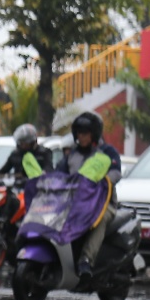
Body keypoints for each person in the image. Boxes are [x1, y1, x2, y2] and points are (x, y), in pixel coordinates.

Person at [56, 111, 122, 278]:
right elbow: (60, 174)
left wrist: (102, 182)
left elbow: (116, 173)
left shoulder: (107, 152)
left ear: (93, 134)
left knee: (99, 221)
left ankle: (86, 259)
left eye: (85, 133)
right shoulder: (72, 155)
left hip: (102, 203)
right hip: (74, 203)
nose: (81, 136)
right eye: (78, 133)